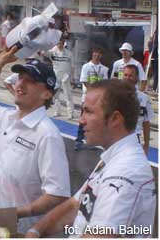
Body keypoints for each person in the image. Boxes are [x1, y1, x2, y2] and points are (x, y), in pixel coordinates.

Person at [25, 80, 156, 238]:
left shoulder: (126, 173)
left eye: (88, 111)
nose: (81, 121)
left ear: (115, 119)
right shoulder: (113, 157)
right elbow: (76, 204)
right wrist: (36, 231)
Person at [0, 48, 70, 233]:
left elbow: (57, 194)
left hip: (19, 229)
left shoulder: (47, 135)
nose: (20, 84)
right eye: (20, 78)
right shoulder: (6, 118)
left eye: (31, 81)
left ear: (47, 94)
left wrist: (13, 214)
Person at [74, 47, 109, 150]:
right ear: (92, 54)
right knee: (83, 119)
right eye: (95, 53)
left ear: (101, 55)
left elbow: (105, 83)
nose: (96, 55)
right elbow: (84, 81)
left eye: (99, 53)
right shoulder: (86, 66)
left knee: (96, 120)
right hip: (87, 98)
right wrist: (92, 94)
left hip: (99, 99)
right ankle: (79, 140)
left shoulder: (104, 69)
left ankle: (93, 141)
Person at [122, 65, 153, 155]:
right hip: (115, 138)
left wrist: (146, 145)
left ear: (137, 78)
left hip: (134, 140)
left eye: (130, 75)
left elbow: (146, 124)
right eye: (125, 75)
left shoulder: (144, 98)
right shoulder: (114, 95)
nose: (127, 78)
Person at [46, 39, 74, 120]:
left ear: (63, 44)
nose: (60, 45)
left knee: (68, 94)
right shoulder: (53, 51)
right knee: (55, 94)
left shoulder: (69, 53)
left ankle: (70, 113)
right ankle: (57, 111)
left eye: (61, 43)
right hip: (56, 75)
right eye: (58, 43)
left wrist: (72, 78)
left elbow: (72, 66)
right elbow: (43, 52)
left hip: (66, 75)